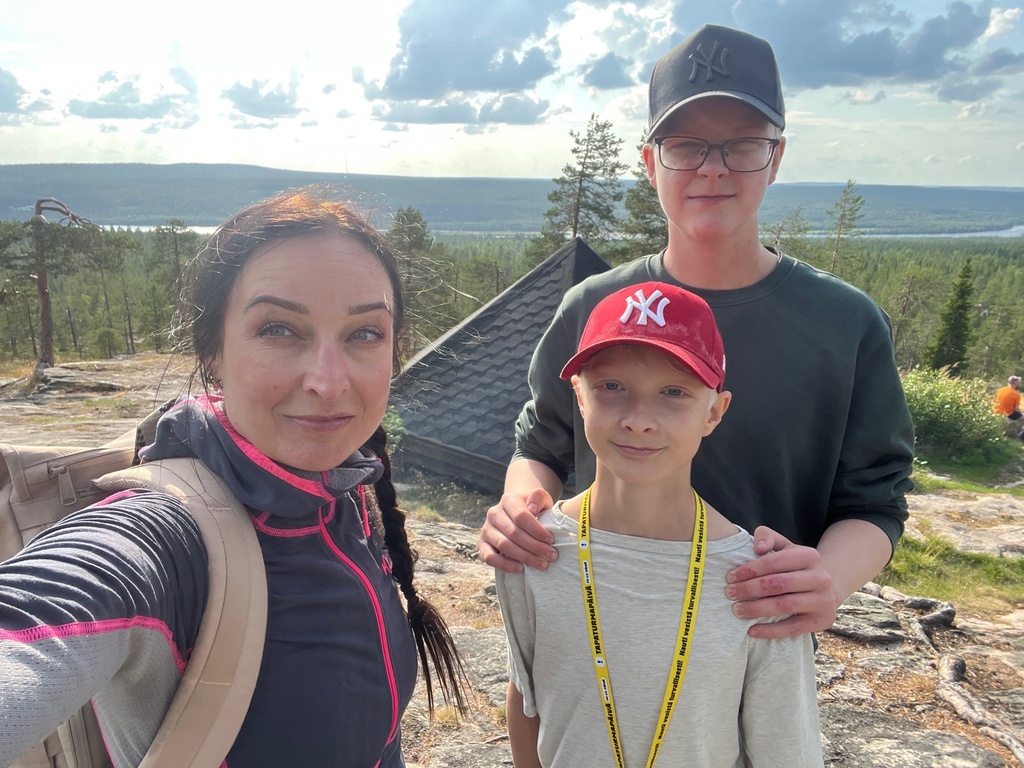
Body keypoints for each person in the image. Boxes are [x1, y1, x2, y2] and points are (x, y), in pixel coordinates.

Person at [0, 187, 466, 767]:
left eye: (365, 333)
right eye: (278, 329)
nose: (329, 381)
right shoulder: (162, 537)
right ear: (213, 352)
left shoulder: (345, 494)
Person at [480, 23, 915, 640]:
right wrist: (521, 511)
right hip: (595, 622)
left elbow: (875, 502)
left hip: (752, 634)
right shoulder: (593, 308)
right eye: (685, 145)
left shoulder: (845, 324)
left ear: (777, 156)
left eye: (742, 145)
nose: (713, 169)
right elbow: (542, 447)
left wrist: (826, 577)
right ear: (650, 162)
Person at [496, 281, 823, 768]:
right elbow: (527, 702)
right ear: (578, 397)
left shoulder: (762, 585)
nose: (639, 419)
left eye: (674, 392)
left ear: (714, 411)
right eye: (611, 387)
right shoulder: (532, 549)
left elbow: (786, 753)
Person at [993, 375, 1024, 440]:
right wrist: (1022, 413)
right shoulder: (1016, 395)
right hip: (1007, 414)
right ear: (1016, 384)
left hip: (996, 411)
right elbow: (1016, 409)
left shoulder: (1000, 390)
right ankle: (1022, 436)